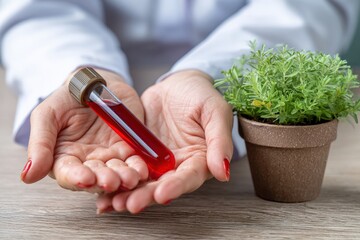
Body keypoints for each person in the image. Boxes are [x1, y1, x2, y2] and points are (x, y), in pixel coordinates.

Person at [0, 0, 358, 214]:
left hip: (224, 80)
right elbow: (36, 9)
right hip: (98, 73)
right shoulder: (98, 97)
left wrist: (203, 74)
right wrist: (80, 70)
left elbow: (314, 6)